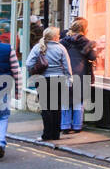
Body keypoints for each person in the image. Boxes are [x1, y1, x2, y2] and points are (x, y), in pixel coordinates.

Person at [25, 26, 71, 142]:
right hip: (58, 80)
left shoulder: (38, 47)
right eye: (58, 35)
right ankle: (56, 135)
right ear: (55, 37)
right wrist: (69, 80)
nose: (60, 36)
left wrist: (37, 70)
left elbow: (28, 64)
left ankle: (46, 135)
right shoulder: (61, 48)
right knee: (56, 108)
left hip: (43, 80)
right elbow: (67, 67)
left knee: (46, 109)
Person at [61, 17, 97, 134]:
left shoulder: (63, 41)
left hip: (66, 73)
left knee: (66, 100)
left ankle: (65, 125)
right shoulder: (86, 42)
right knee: (78, 100)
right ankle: (77, 125)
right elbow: (92, 57)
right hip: (80, 73)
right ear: (84, 29)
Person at [0, 29, 21, 157]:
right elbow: (16, 71)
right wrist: (19, 91)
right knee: (3, 116)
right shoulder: (8, 49)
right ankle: (1, 142)